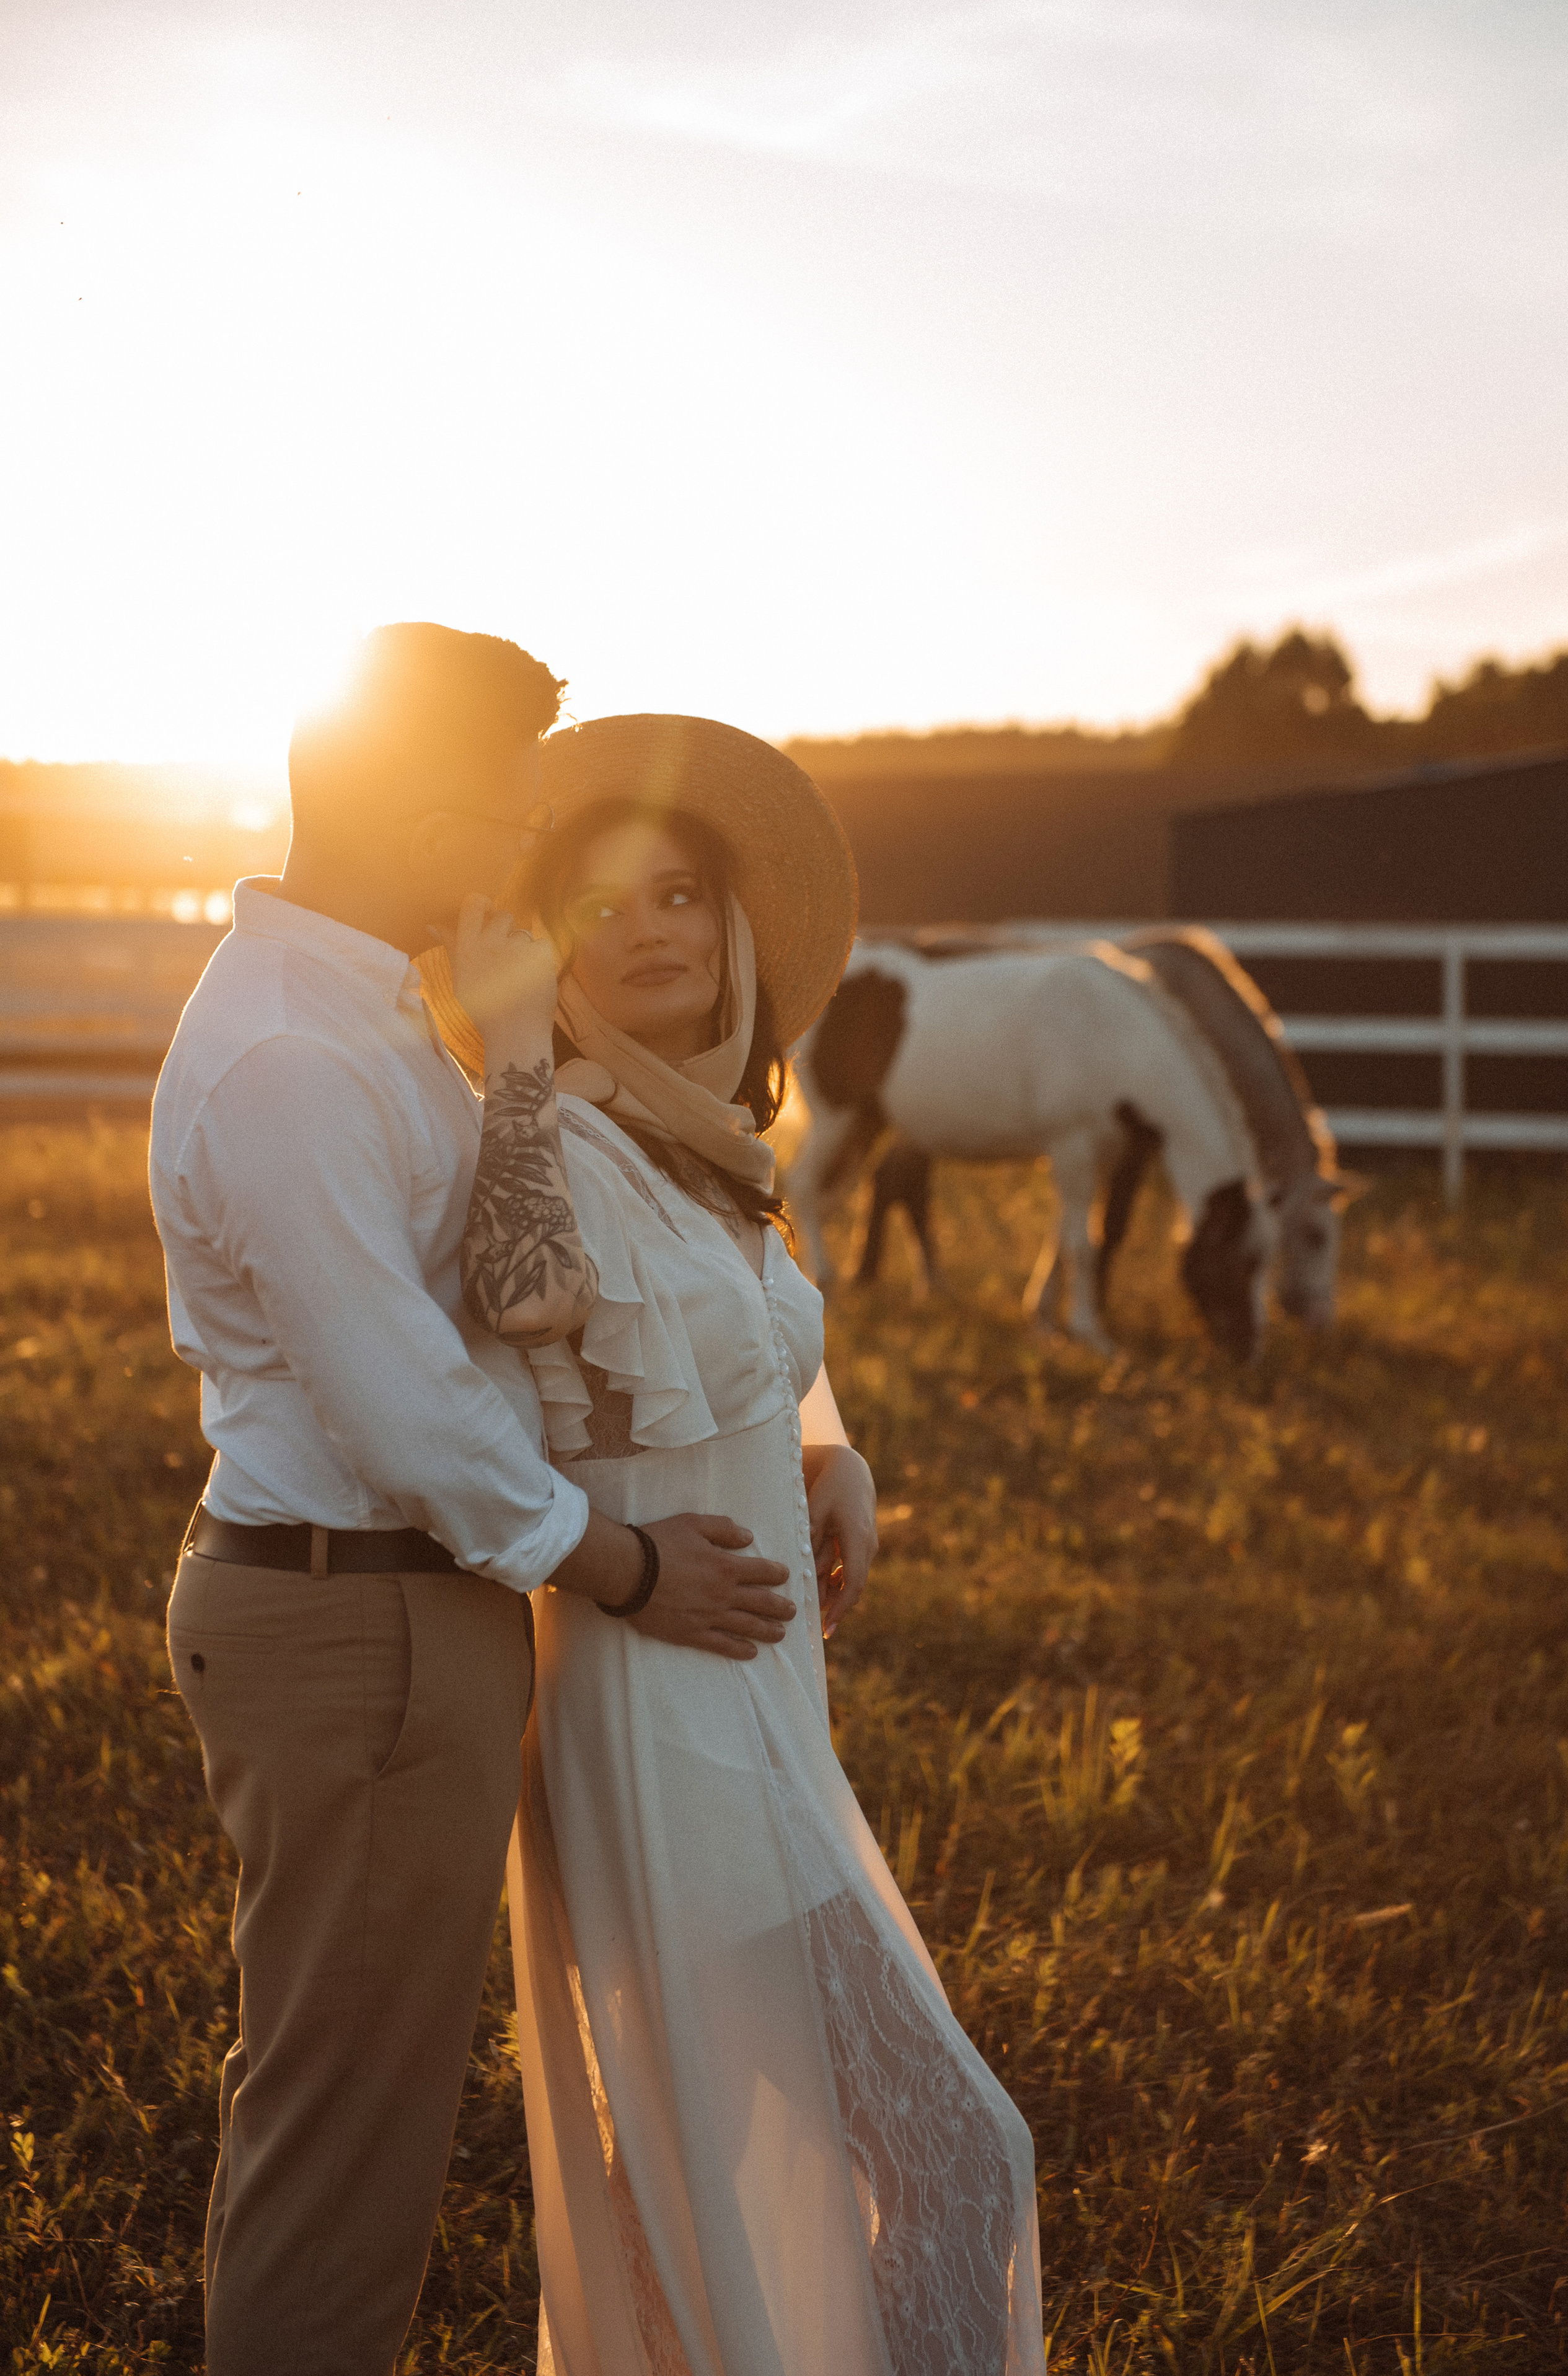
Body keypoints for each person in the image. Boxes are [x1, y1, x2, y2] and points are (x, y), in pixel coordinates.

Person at [151, 629, 799, 2376]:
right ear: (423, 811)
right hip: (349, 1605)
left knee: (363, 2103)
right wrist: (626, 1561)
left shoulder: (364, 1010)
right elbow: (406, 1404)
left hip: (397, 1607)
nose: (517, 852)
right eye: (504, 812)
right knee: (344, 2137)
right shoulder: (293, 1056)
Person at [425, 713, 1044, 2375]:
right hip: (658, 1693)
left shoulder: (710, 1149)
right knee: (961, 2152)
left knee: (683, 2167)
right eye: (599, 908)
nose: (646, 933)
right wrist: (516, 1063)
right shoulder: (556, 1128)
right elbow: (527, 1295)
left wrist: (830, 1448)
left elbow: (758, 1334)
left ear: (733, 930)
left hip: (757, 1688)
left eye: (679, 896)